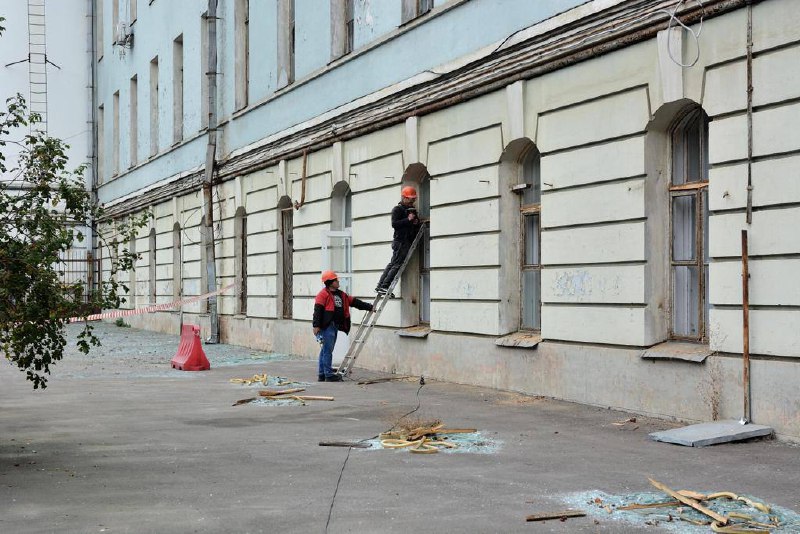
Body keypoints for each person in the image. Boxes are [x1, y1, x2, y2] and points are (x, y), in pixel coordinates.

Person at [312, 270, 373, 382]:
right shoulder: (323, 294)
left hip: (335, 325)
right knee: (327, 350)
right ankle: (328, 375)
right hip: (327, 326)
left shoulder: (342, 295)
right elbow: (317, 311)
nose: (338, 281)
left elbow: (355, 302)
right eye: (336, 280)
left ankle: (322, 374)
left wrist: (369, 307)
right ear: (330, 282)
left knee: (325, 350)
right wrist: (316, 326)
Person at [375, 186, 421, 294]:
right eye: (410, 199)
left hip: (406, 241)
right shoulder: (397, 209)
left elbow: (415, 223)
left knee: (393, 263)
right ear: (404, 198)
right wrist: (408, 219)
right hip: (400, 241)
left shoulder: (411, 210)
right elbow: (394, 224)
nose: (412, 201)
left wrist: (415, 222)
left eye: (414, 199)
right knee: (396, 264)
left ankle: (381, 285)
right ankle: (384, 285)